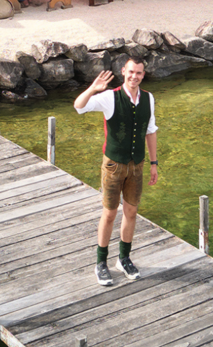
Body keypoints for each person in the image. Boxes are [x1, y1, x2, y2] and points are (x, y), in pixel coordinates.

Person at [73, 60, 158, 286]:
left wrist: (154, 163)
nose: (134, 76)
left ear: (143, 74)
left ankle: (124, 259)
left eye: (138, 73)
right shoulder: (110, 97)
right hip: (113, 165)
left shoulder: (149, 98)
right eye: (131, 72)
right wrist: (93, 88)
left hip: (137, 165)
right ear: (123, 72)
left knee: (131, 211)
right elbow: (79, 106)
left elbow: (150, 131)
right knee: (109, 213)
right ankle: (101, 263)